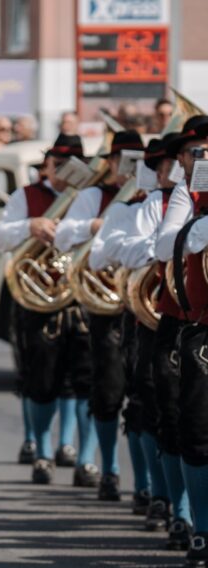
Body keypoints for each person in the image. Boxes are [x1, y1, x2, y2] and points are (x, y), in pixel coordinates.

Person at [0, 135, 94, 483]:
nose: (66, 171)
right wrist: (30, 227)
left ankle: (70, 447)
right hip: (38, 297)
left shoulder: (89, 197)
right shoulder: (26, 195)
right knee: (39, 376)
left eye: (74, 164)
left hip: (78, 295)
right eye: (60, 164)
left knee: (79, 378)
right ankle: (42, 448)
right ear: (47, 165)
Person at [55, 129, 145, 500]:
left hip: (143, 309)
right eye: (122, 159)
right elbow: (62, 236)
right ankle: (108, 468)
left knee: (147, 398)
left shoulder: (155, 199)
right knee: (107, 392)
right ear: (109, 162)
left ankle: (147, 486)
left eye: (137, 161)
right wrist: (94, 226)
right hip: (106, 306)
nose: (128, 168)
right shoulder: (93, 195)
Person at [114, 134, 188, 542]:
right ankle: (166, 499)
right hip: (161, 317)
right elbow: (138, 250)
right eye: (191, 154)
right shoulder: (154, 205)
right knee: (159, 407)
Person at [154, 115, 208, 567]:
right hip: (202, 323)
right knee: (196, 429)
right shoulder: (182, 194)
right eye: (195, 152)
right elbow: (163, 245)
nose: (201, 159)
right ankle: (201, 528)